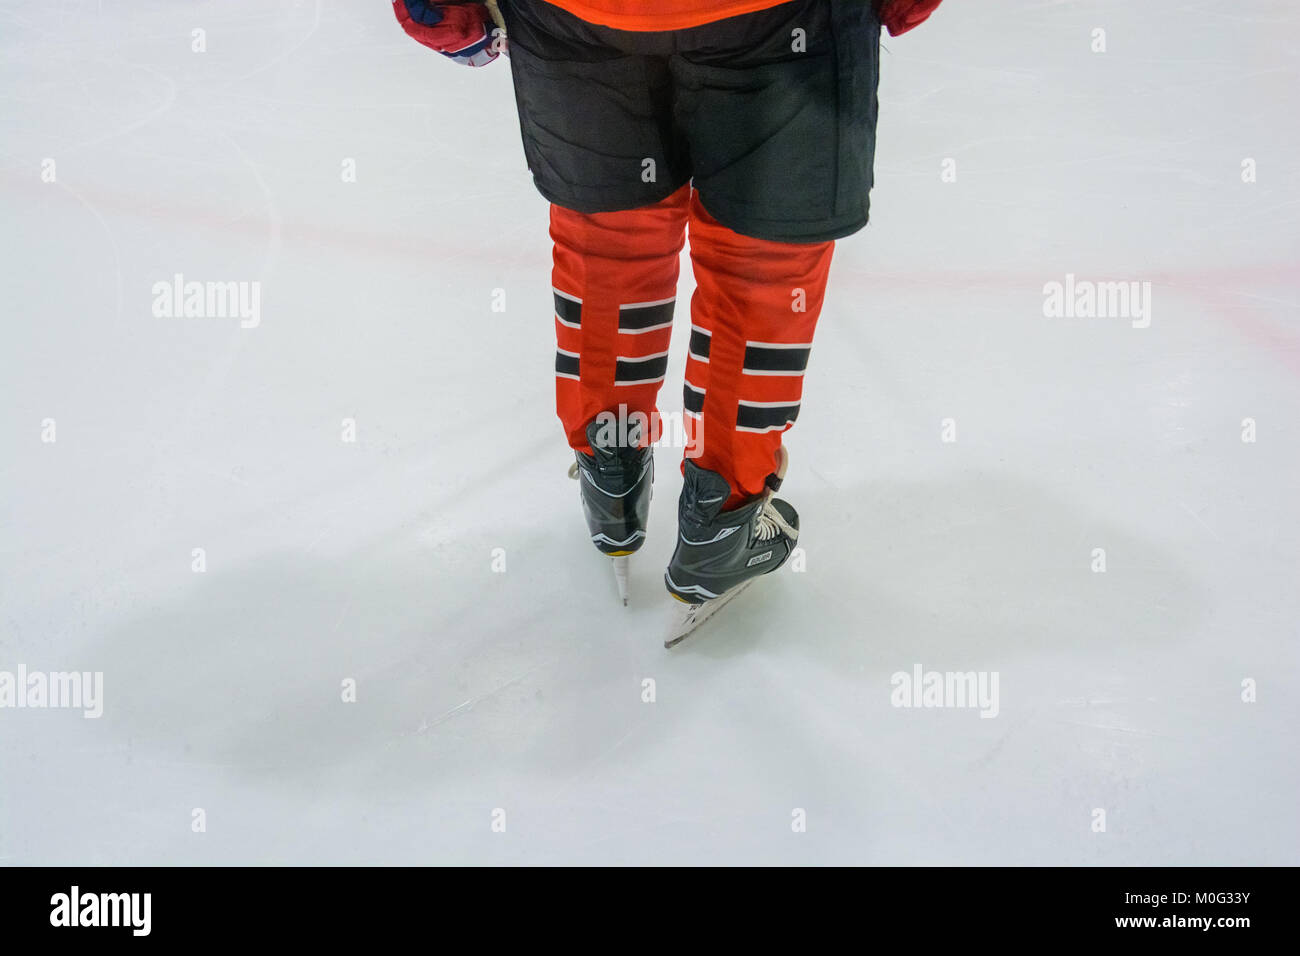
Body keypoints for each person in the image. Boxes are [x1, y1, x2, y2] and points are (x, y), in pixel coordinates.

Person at [392, 0, 944, 630]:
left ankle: (612, 472)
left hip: (575, 18)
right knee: (759, 272)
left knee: (609, 244)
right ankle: (721, 522)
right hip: (782, 20)